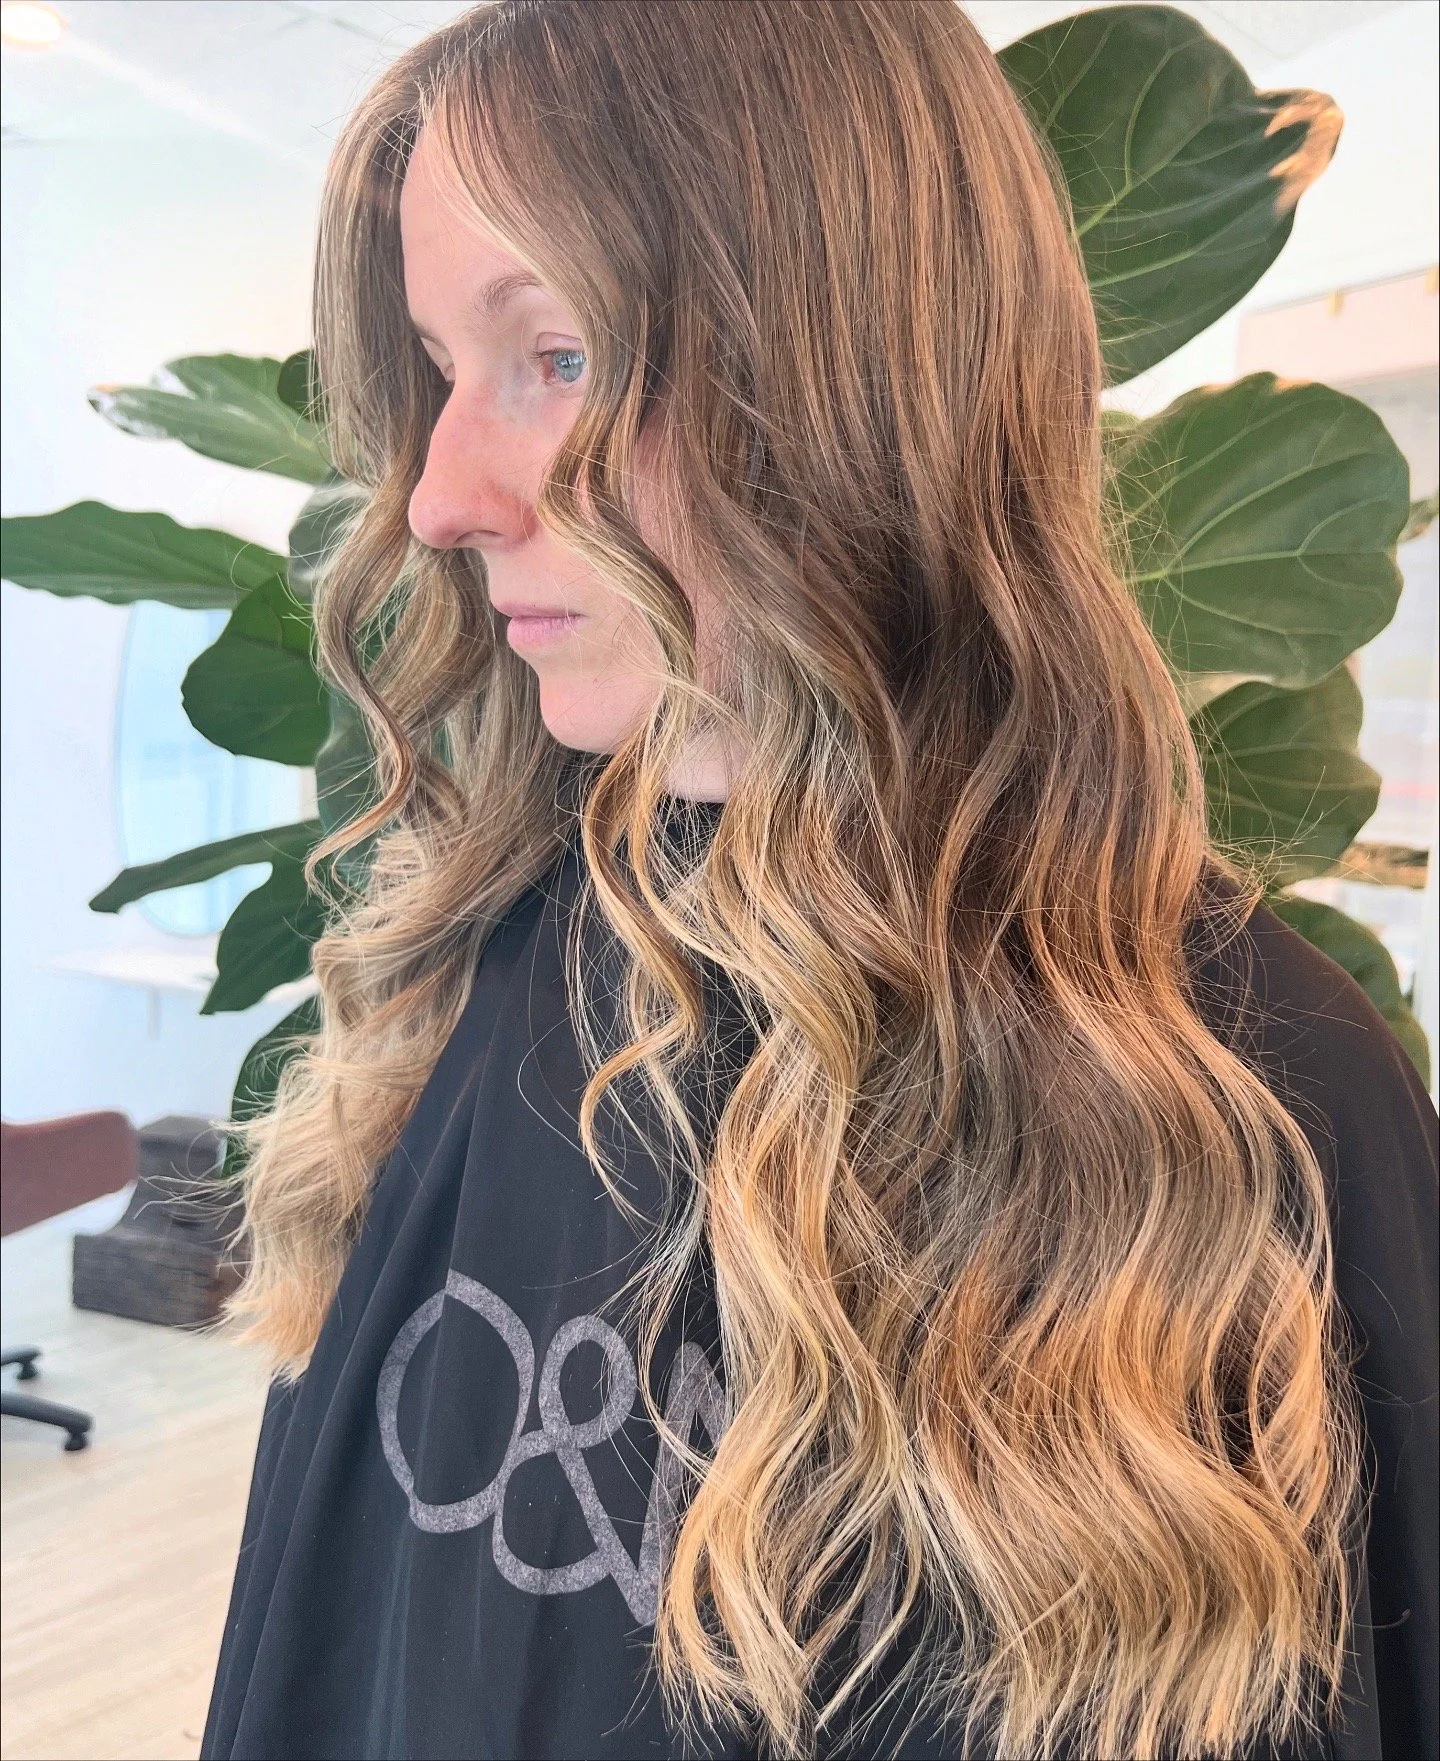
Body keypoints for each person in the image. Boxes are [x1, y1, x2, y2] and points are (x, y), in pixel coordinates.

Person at [201, 4, 1439, 1758]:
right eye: (441, 370)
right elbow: (326, 1637)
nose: (439, 498)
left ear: (852, 382)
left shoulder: (1261, 1102)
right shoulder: (480, 970)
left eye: (556, 356)